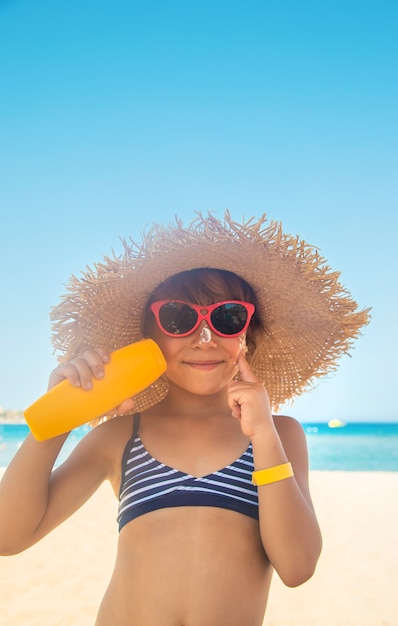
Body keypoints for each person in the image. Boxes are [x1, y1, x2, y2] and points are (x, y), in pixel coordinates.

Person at [0, 212, 370, 625]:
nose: (205, 338)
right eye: (179, 317)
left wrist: (262, 432)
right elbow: (8, 536)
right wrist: (58, 418)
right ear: (149, 334)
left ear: (248, 333)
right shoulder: (121, 437)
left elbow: (297, 566)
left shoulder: (278, 435)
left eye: (228, 317)